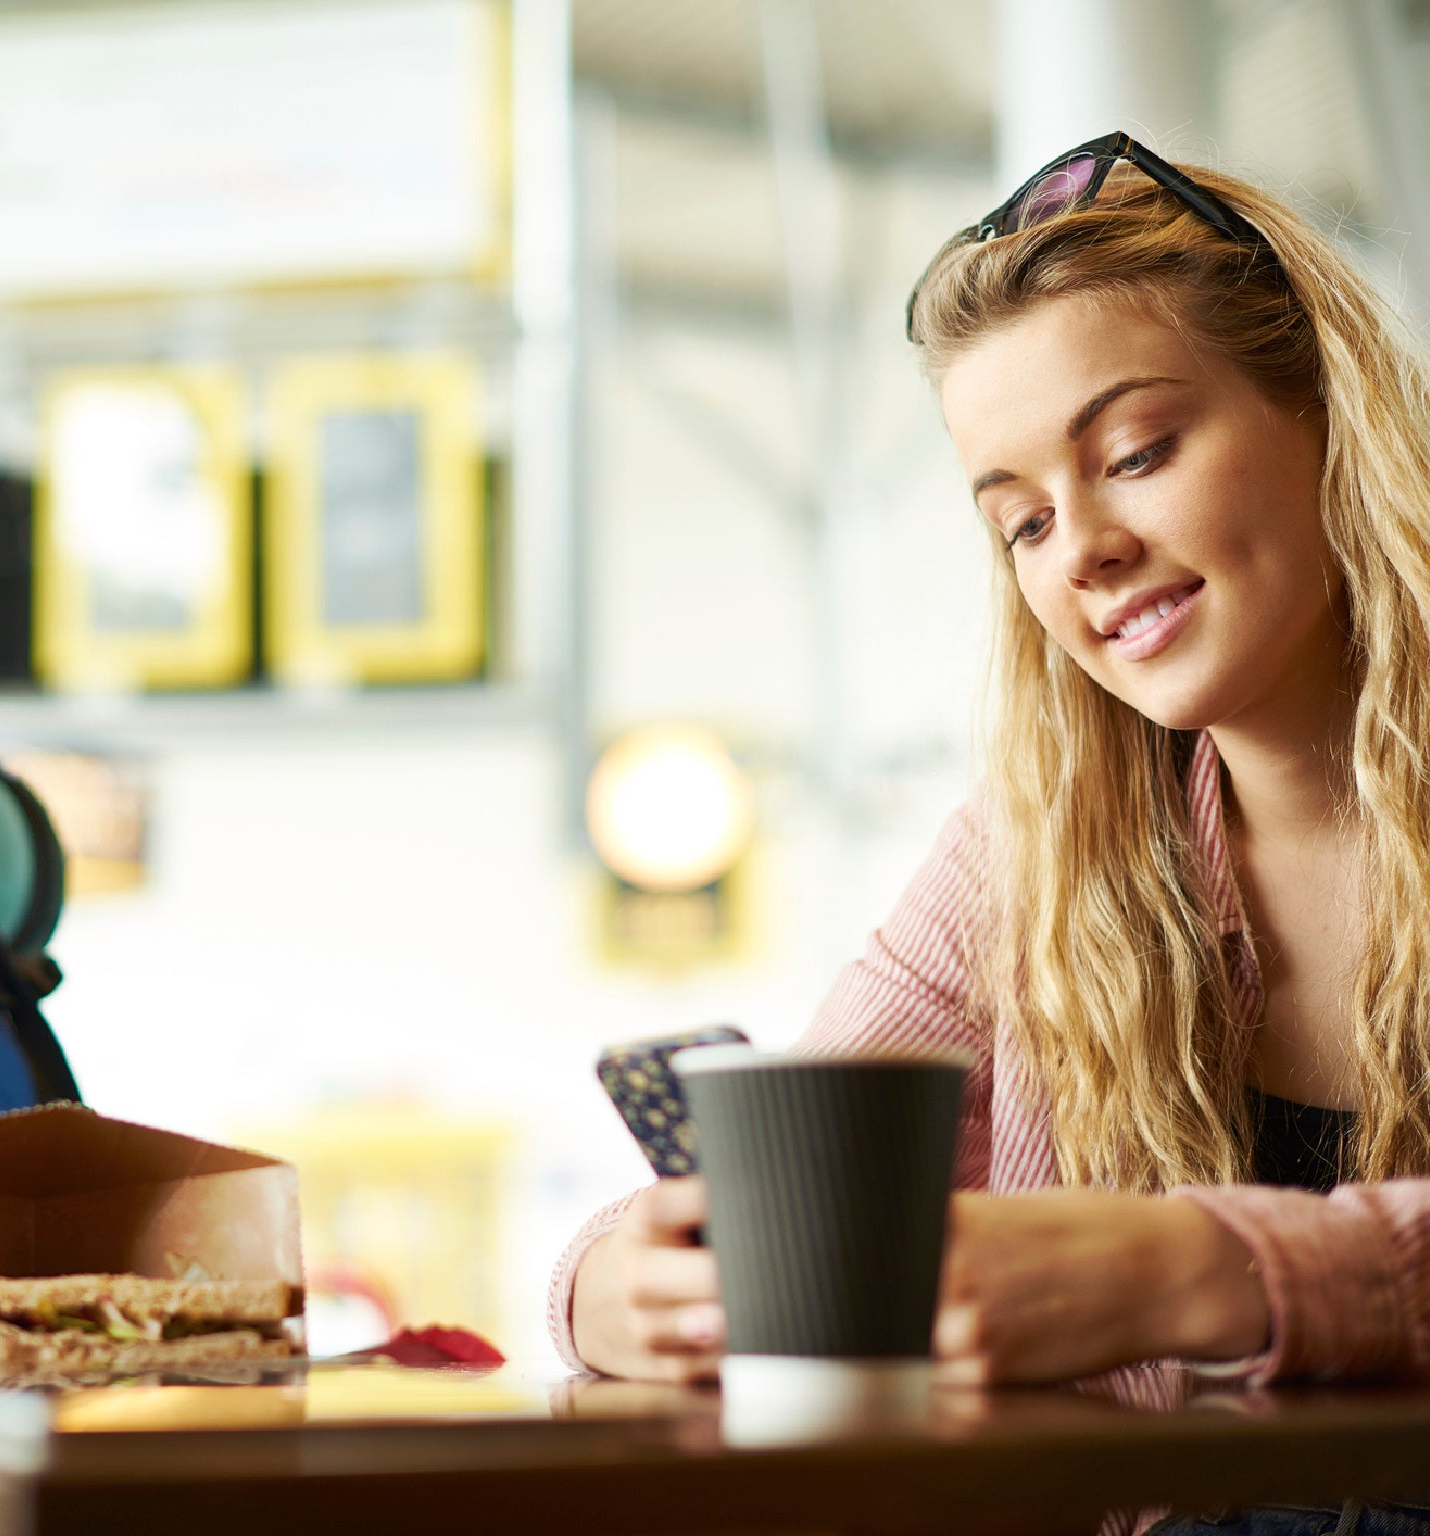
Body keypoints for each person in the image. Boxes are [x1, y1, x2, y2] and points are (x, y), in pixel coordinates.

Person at [552, 135, 1430, 1397]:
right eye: (1020, 520)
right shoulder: (1042, 848)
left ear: (1324, 414)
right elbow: (809, 1177)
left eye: (1133, 454)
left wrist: (1189, 1269)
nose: (1078, 549)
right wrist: (610, 1287)